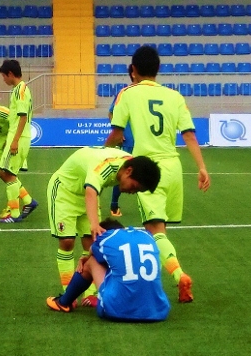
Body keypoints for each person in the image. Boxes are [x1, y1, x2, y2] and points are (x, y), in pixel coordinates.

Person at [105, 45, 211, 303]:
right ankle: (174, 273)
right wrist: (201, 167)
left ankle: (179, 276)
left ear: (134, 69)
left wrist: (101, 152)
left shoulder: (127, 94)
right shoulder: (174, 96)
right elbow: (189, 134)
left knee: (156, 231)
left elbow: (118, 134)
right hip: (173, 169)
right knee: (160, 230)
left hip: (146, 169)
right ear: (158, 69)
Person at [48, 147, 160, 303]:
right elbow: (91, 192)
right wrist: (94, 223)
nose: (132, 192)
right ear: (128, 171)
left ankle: (91, 294)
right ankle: (68, 293)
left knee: (92, 245)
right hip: (64, 191)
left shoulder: (131, 164)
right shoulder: (106, 165)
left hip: (87, 195)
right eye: (134, 187)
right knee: (67, 242)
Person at [47, 218, 171, 322]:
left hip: (117, 310)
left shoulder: (106, 237)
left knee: (91, 262)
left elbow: (93, 252)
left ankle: (64, 302)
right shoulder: (147, 235)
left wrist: (87, 256)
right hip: (158, 311)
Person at [0, 59, 38, 223]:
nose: (4, 80)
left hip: (19, 137)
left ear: (10, 74)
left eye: (3, 76)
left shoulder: (21, 90)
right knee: (4, 172)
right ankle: (28, 201)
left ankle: (14, 214)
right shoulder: (17, 90)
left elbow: (22, 117)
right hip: (16, 136)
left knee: (7, 173)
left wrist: (14, 141)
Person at [108, 66, 135, 217]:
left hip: (146, 142)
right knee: (123, 172)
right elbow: (111, 112)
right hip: (129, 141)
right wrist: (119, 130)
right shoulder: (123, 93)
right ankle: (114, 205)